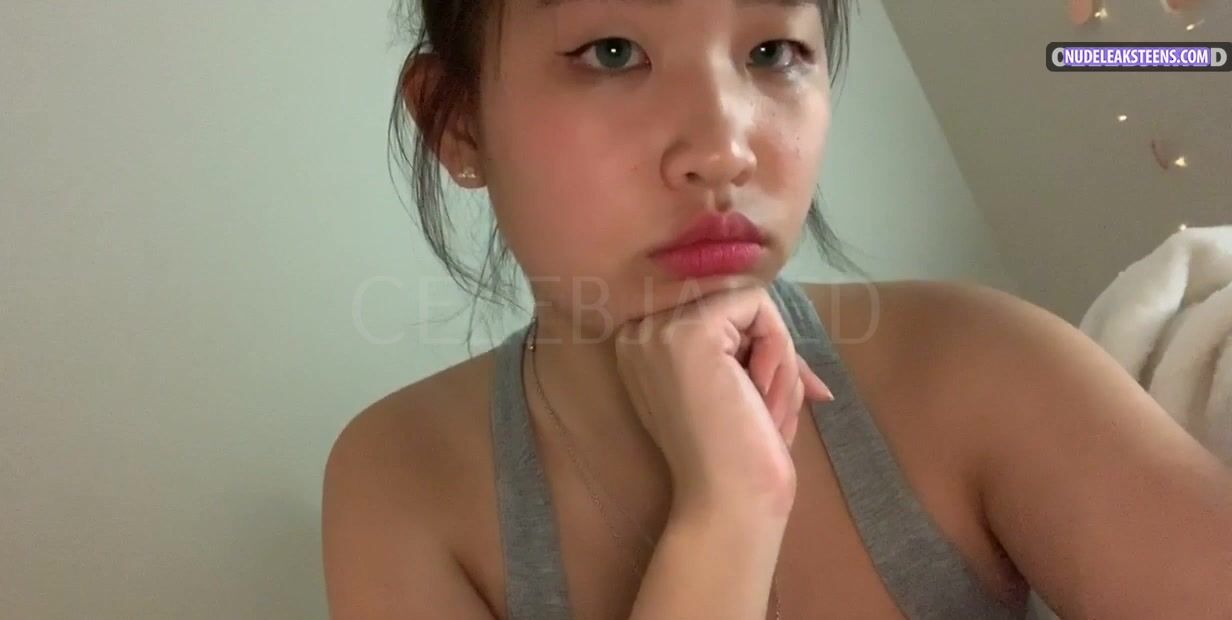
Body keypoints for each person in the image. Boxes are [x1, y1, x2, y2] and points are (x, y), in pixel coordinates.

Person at [321, 1, 1232, 618]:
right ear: (457, 121)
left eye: (772, 53)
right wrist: (727, 515)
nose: (725, 149)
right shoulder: (406, 478)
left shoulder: (974, 363)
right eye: (612, 52)